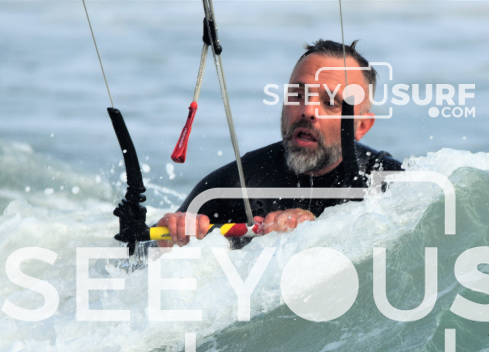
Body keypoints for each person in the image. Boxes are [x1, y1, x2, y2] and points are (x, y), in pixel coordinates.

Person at [158, 39, 402, 247]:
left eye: (330, 103)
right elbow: (140, 253)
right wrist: (168, 239)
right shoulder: (235, 185)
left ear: (361, 126)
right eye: (298, 95)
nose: (307, 110)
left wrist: (317, 232)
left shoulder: (390, 183)